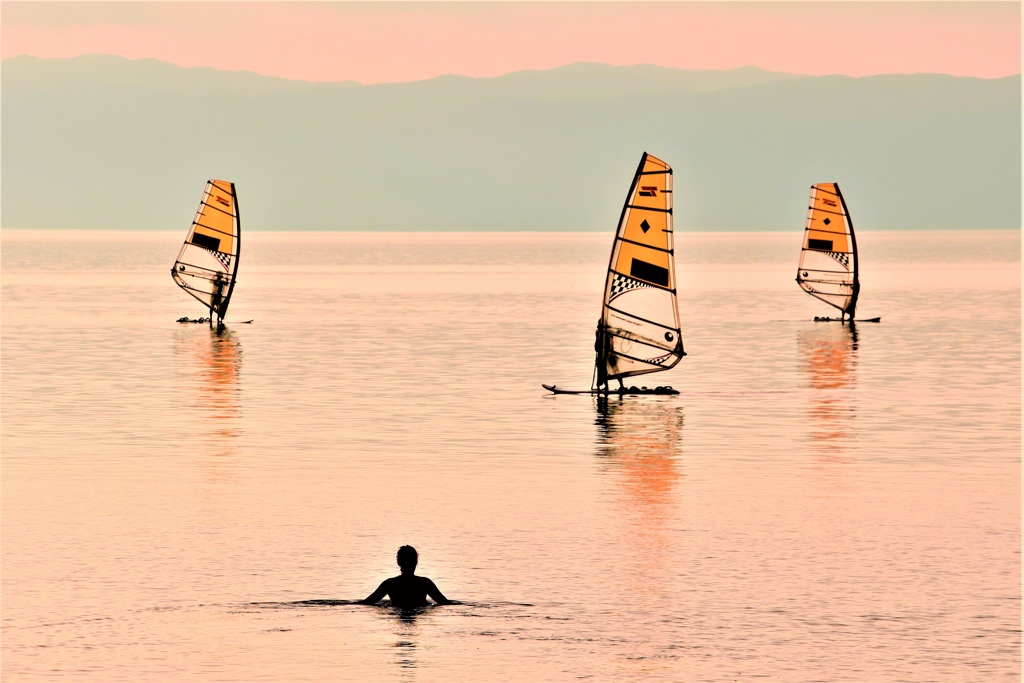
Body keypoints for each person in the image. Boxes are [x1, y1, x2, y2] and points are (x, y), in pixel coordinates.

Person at [361, 546, 452, 608]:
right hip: (420, 610)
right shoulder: (425, 583)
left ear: (398, 562)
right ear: (416, 562)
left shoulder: (390, 584)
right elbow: (445, 603)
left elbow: (367, 603)